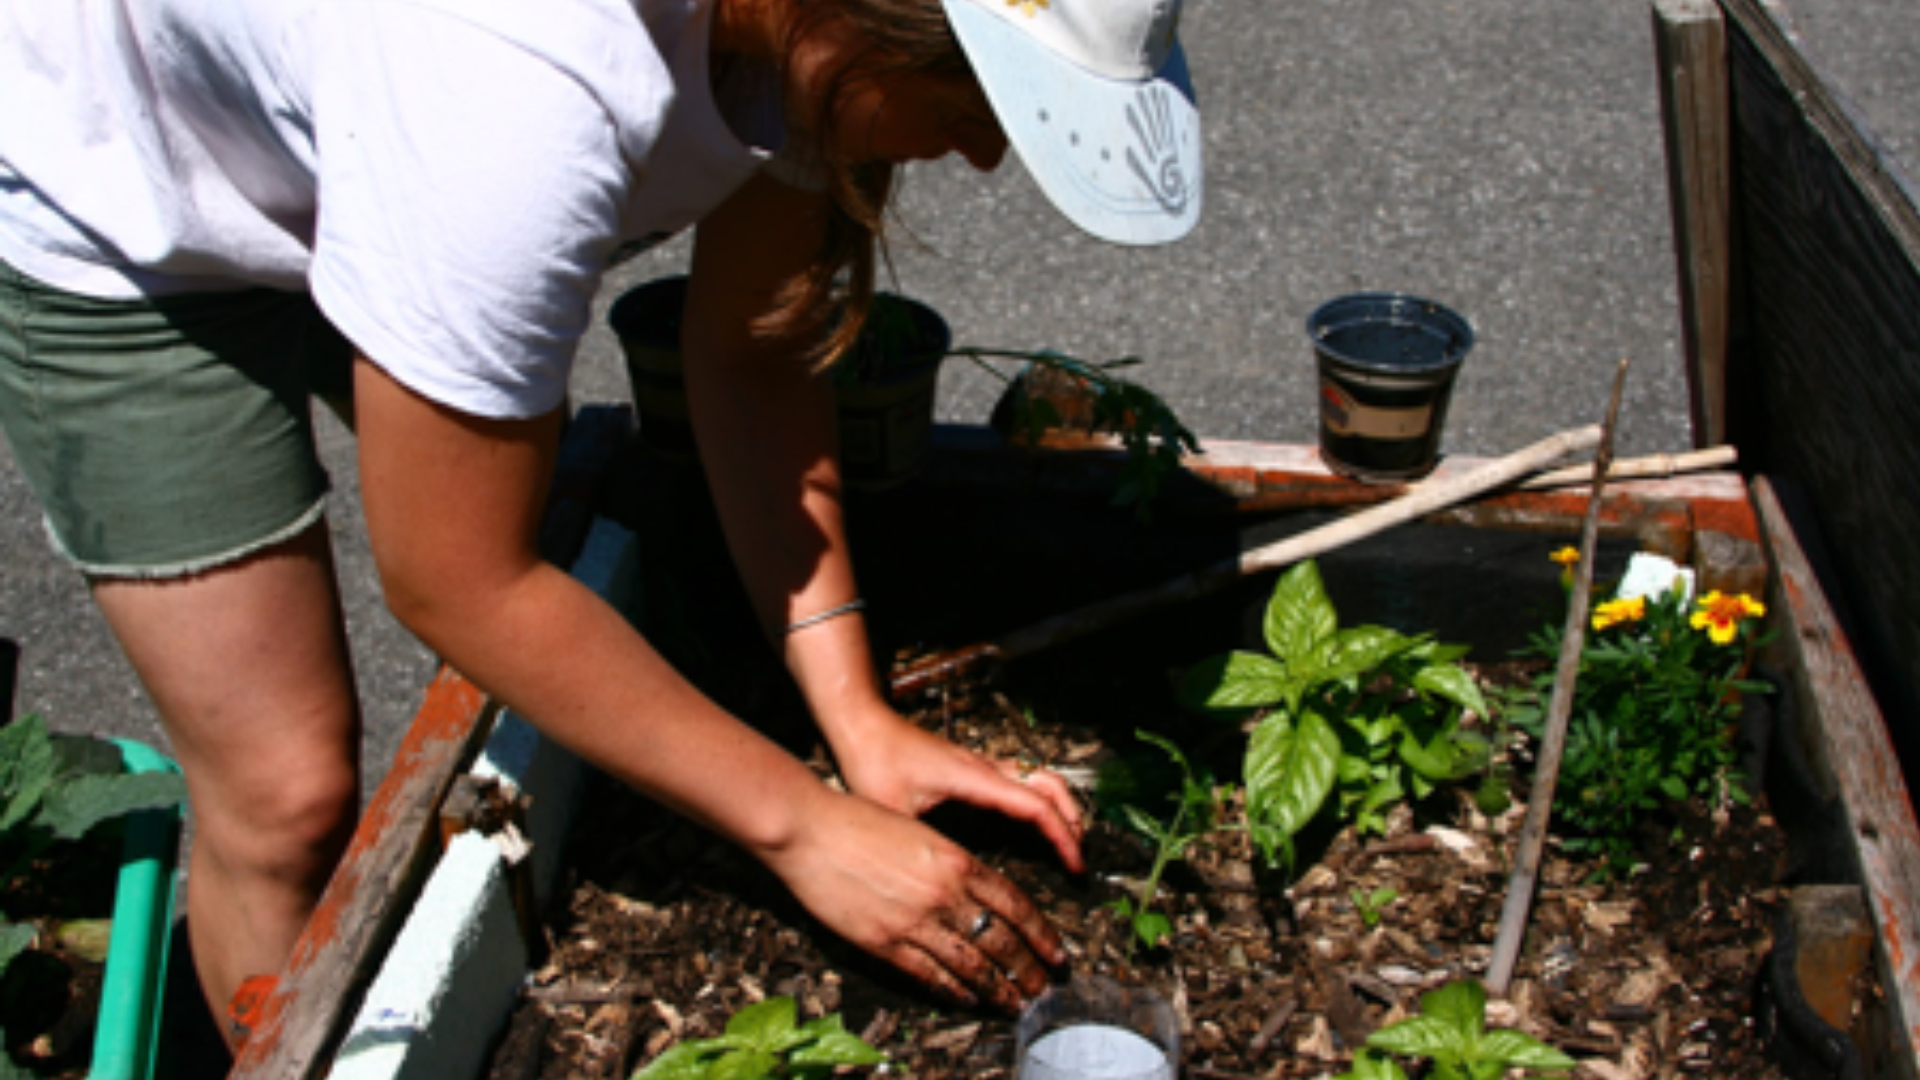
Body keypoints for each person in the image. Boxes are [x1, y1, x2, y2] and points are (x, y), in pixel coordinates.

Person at [0, 0, 1202, 1049]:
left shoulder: (805, 41)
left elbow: (752, 347)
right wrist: (802, 827)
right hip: (126, 208)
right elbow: (457, 577)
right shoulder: (516, 85)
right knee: (288, 795)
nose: (989, 155)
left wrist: (856, 720)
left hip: (376, 134)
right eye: (980, 99)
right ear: (861, 17)